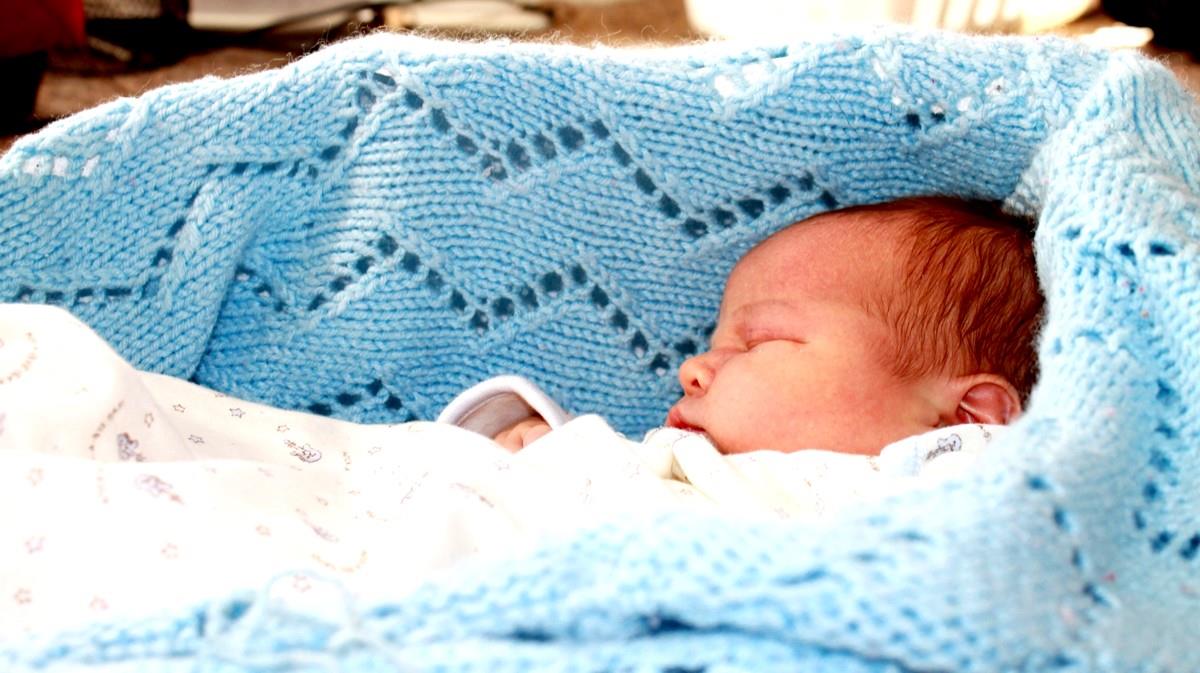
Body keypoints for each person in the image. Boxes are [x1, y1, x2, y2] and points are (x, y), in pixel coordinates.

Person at [465, 196, 1043, 455]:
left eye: (760, 341)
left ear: (967, 418)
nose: (691, 369)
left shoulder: (943, 500)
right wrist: (546, 449)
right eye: (713, 346)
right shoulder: (679, 465)